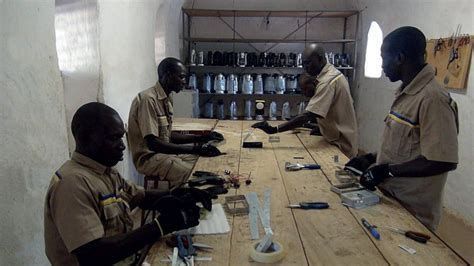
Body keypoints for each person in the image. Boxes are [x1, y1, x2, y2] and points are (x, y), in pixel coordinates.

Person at [44, 102, 212, 265]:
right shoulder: (72, 184)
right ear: (85, 137)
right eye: (113, 138)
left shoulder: (106, 171)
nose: (123, 146)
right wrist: (159, 227)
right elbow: (92, 255)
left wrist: (179, 194)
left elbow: (140, 197)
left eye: (121, 137)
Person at [345, 26, 459, 230]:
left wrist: (386, 171)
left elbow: (442, 161)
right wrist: (371, 158)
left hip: (413, 211)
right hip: (390, 199)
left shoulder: (433, 99)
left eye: (383, 58)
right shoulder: (406, 92)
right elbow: (405, 145)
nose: (381, 65)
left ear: (399, 58)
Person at [128, 57, 223, 190]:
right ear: (168, 75)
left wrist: (202, 138)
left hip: (163, 153)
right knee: (195, 176)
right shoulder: (148, 100)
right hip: (149, 159)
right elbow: (153, 143)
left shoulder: (167, 98)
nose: (184, 82)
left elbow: (167, 136)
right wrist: (195, 148)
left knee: (205, 163)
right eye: (182, 77)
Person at [251, 44, 359, 158]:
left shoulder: (328, 82)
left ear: (320, 59)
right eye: (303, 64)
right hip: (336, 138)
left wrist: (275, 129)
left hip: (341, 145)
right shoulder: (332, 74)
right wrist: (323, 128)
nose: (305, 68)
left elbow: (309, 115)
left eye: (308, 63)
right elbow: (334, 109)